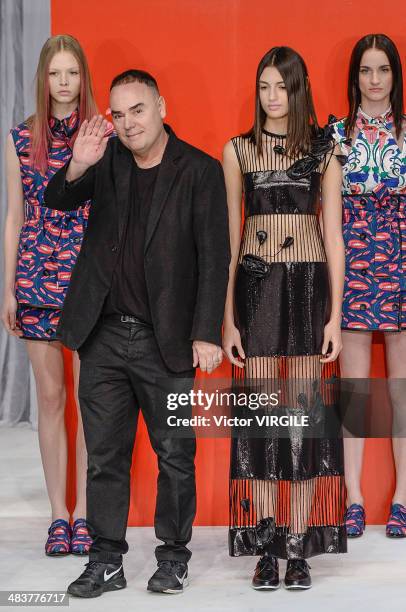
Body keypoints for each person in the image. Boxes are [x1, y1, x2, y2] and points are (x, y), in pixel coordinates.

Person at [43, 69, 230, 597]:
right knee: (105, 455)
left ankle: (173, 557)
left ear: (162, 106)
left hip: (165, 339)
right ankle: (106, 560)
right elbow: (58, 201)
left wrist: (206, 331)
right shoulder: (106, 163)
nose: (128, 124)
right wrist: (78, 161)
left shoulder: (199, 171)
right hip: (101, 334)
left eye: (138, 110)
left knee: (174, 454)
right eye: (118, 115)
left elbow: (215, 258)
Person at [222, 46, 346, 590]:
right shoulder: (237, 150)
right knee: (262, 422)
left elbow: (336, 238)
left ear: (300, 89)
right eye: (264, 86)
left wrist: (336, 316)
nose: (272, 97)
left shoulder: (324, 152)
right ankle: (267, 542)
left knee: (301, 419)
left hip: (307, 291)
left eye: (282, 87)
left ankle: (298, 545)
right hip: (256, 290)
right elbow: (228, 239)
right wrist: (227, 317)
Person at [1, 34, 99, 557]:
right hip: (37, 280)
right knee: (50, 398)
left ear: (84, 77)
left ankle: (84, 512)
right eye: (56, 74)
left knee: (86, 400)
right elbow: (14, 215)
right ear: (44, 78)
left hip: (86, 282)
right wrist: (9, 287)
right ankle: (57, 515)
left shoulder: (100, 135)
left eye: (73, 73)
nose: (64, 83)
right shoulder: (21, 138)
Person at [330, 34, 406, 539]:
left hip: (401, 268)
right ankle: (354, 498)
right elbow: (329, 220)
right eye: (365, 70)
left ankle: (402, 497)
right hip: (354, 269)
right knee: (355, 391)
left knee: (401, 391)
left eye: (383, 70)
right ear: (354, 76)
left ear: (396, 77)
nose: (374, 80)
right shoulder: (335, 136)